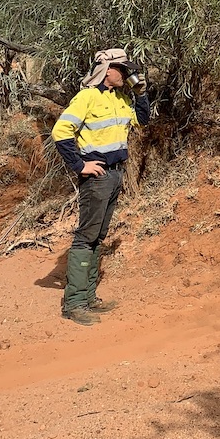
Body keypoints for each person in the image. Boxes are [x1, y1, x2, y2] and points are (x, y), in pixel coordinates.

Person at [52, 48, 150, 325]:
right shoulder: (86, 97)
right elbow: (61, 131)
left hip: (115, 174)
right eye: (124, 69)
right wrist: (80, 165)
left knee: (98, 237)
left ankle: (88, 297)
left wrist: (141, 94)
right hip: (97, 177)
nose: (128, 74)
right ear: (108, 70)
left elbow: (142, 121)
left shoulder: (120, 97)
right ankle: (74, 303)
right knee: (86, 237)